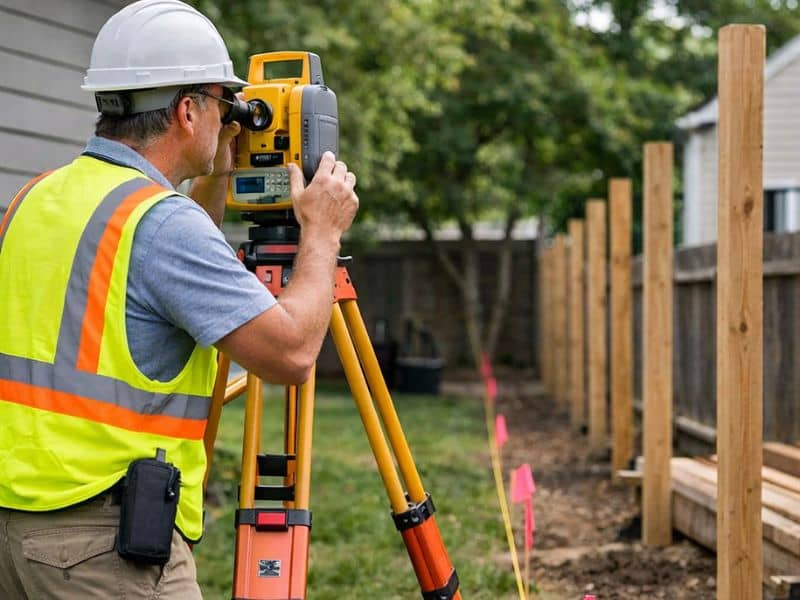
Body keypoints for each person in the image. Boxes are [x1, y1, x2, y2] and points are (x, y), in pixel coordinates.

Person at [0, 0, 358, 597]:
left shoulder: (37, 197)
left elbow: (158, 279)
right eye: (224, 102)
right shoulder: (160, 225)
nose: (232, 120)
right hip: (98, 549)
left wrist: (216, 174)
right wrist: (320, 234)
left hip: (15, 531)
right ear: (189, 110)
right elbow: (292, 355)